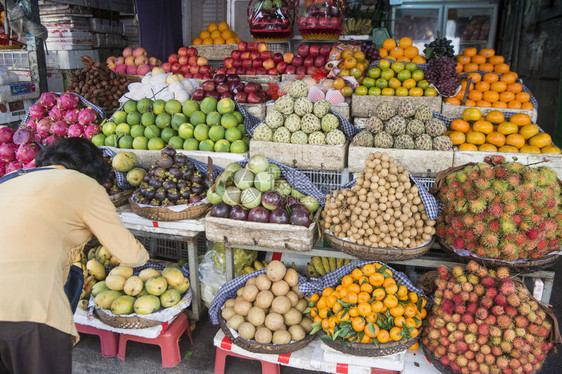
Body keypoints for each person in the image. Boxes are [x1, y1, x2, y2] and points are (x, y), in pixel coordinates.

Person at [0, 138, 149, 374]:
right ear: (93, 169)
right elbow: (131, 255)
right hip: (28, 310)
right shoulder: (83, 184)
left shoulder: (9, 180)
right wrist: (146, 261)